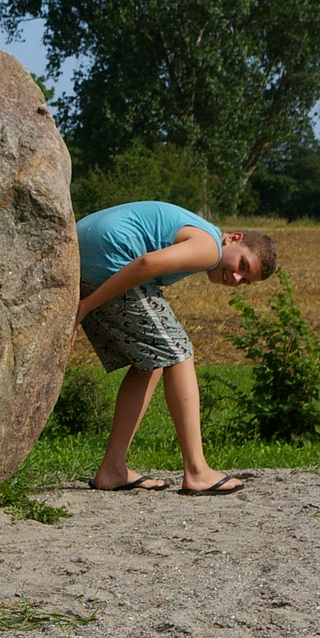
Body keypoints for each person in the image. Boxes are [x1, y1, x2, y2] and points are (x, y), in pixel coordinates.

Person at [73, 200, 276, 495]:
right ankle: (196, 470)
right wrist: (85, 307)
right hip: (109, 258)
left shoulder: (198, 231)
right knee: (180, 353)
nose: (235, 278)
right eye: (242, 265)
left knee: (152, 360)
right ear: (234, 238)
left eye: (244, 281)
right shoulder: (210, 247)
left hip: (83, 255)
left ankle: (113, 469)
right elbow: (146, 264)